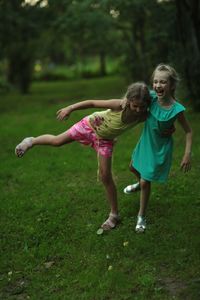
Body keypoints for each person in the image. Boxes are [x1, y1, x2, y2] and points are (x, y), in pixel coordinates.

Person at [15, 82, 151, 231]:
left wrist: (167, 128)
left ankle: (114, 215)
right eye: (135, 106)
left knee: (105, 176)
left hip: (104, 140)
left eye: (141, 107)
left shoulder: (144, 115)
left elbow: (162, 115)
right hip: (89, 125)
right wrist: (70, 108)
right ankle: (31, 141)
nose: (138, 110)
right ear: (129, 101)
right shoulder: (119, 105)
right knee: (57, 141)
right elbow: (92, 103)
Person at [123, 64, 192, 233]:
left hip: (160, 148)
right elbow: (135, 95)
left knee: (147, 181)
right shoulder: (150, 98)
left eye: (163, 82)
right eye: (155, 81)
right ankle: (139, 183)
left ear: (172, 85)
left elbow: (189, 131)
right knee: (132, 166)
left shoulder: (177, 109)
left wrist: (187, 154)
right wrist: (126, 100)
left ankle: (141, 216)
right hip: (146, 142)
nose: (158, 85)